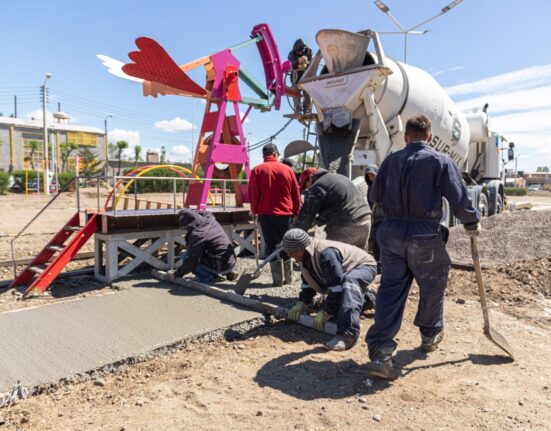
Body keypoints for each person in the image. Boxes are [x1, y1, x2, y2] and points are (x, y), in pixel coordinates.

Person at [364, 115, 481, 380]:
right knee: (432, 286)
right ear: (429, 137)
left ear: (406, 137)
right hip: (424, 236)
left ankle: (381, 353)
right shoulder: (439, 161)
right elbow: (459, 197)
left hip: (391, 235)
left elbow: (374, 196)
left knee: (390, 291)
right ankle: (430, 335)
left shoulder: (390, 161)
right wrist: (471, 221)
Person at [284, 229, 377, 351]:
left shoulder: (326, 254)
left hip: (364, 266)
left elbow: (337, 287)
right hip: (344, 273)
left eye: (292, 253)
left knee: (349, 282)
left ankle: (348, 335)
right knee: (339, 313)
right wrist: (302, 302)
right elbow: (308, 280)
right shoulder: (305, 256)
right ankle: (369, 299)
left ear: (300, 250)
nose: (291, 257)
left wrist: (326, 311)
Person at [249, 143, 301, 286]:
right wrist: (296, 212)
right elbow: (295, 193)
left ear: (264, 155)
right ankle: (289, 279)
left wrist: (255, 211)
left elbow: (253, 195)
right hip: (285, 214)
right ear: (275, 154)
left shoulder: (257, 170)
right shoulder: (287, 170)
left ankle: (277, 281)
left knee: (271, 246)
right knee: (287, 244)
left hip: (265, 215)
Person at [294, 168, 371, 250]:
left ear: (310, 177)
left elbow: (306, 216)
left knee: (334, 255)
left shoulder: (318, 186)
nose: (307, 188)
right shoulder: (337, 178)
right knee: (358, 256)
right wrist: (316, 221)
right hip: (365, 220)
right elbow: (336, 206)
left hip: (346, 226)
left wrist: (294, 237)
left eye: (305, 185)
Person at [174, 209, 237, 283]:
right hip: (231, 260)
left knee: (186, 256)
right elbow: (201, 212)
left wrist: (178, 273)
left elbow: (192, 260)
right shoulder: (210, 218)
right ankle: (228, 273)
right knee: (214, 249)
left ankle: (211, 277)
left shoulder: (199, 234)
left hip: (222, 264)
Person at [365, 164, 383, 273]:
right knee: (376, 243)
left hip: (385, 219)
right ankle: (379, 267)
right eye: (369, 176)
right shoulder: (370, 188)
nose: (371, 177)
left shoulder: (383, 186)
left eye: (373, 175)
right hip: (376, 219)